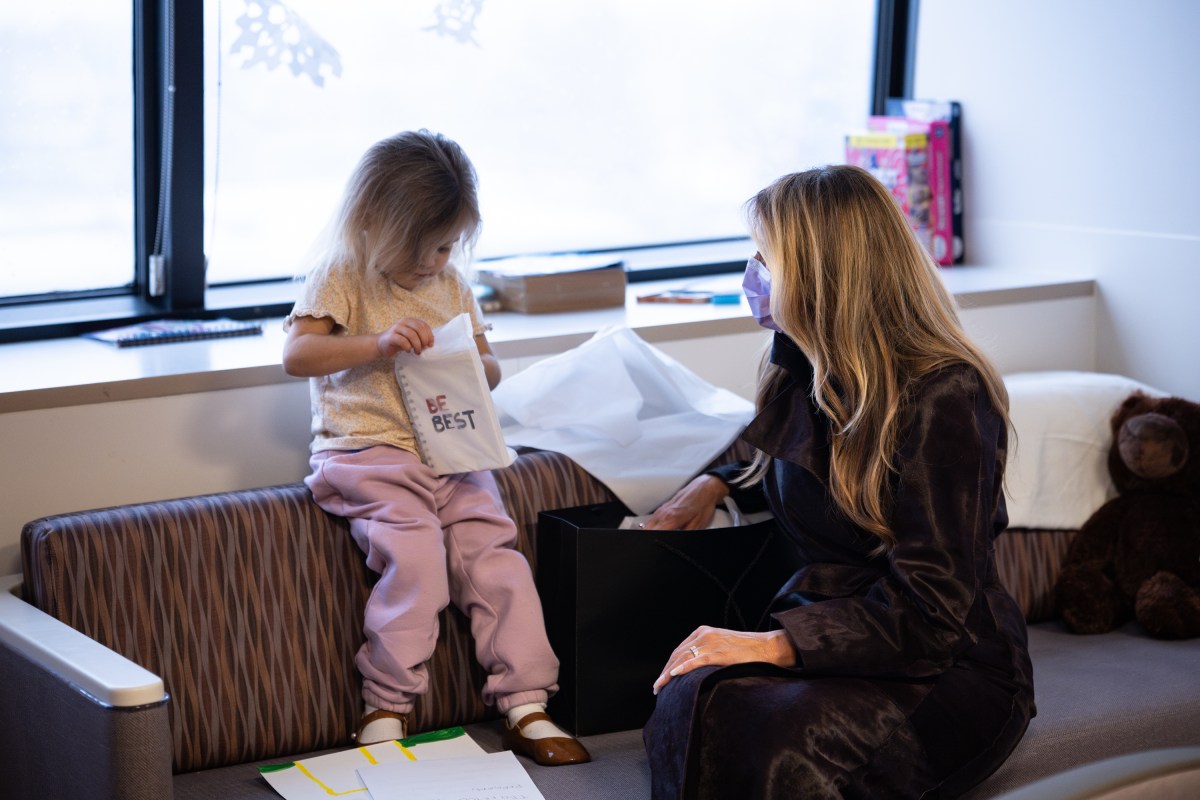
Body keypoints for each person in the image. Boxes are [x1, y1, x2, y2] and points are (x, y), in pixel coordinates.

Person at [641, 165, 1034, 798]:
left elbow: (933, 615)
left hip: (945, 666)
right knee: (692, 695)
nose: (751, 278)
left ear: (822, 275)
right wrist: (717, 482)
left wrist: (773, 648)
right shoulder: (803, 371)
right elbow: (815, 478)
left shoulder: (945, 395)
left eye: (764, 261)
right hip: (839, 640)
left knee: (778, 743)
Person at [281, 130, 589, 767]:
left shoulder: (450, 284)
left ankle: (526, 702)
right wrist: (378, 343)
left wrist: (477, 367)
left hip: (452, 448)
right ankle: (386, 706)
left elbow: (488, 361)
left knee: (498, 562)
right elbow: (298, 355)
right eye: (420, 248)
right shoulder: (342, 275)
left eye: (447, 245)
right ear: (373, 225)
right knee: (417, 565)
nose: (435, 261)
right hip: (369, 454)